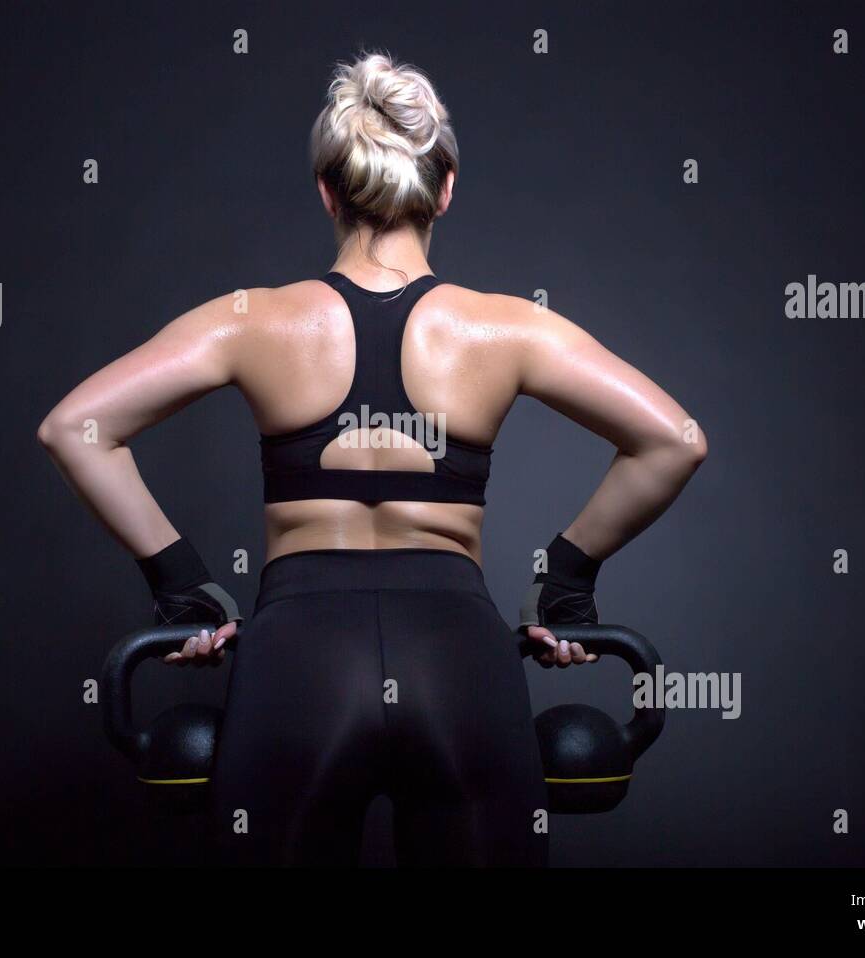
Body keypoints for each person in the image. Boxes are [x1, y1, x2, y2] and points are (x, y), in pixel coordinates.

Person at [38, 51, 706, 866]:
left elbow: (76, 427)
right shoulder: (508, 328)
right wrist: (565, 582)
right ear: (446, 188)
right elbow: (674, 440)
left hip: (298, 665)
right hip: (459, 659)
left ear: (327, 190)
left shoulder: (253, 321)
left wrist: (182, 589)